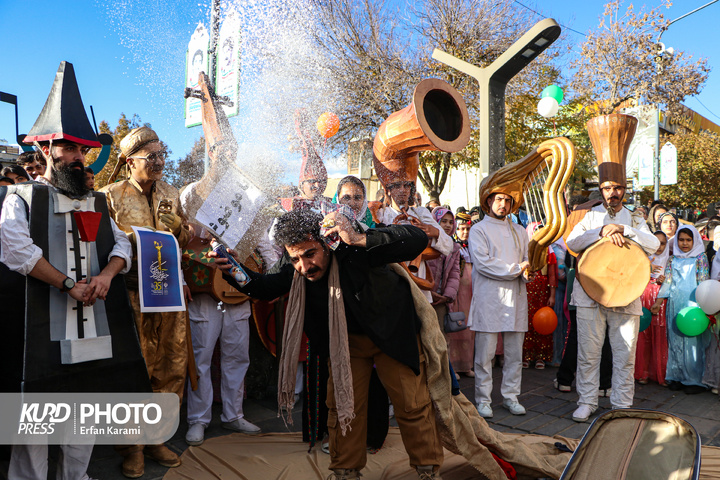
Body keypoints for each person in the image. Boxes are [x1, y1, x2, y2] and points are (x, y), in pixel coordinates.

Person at [0, 60, 148, 480]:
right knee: (36, 419)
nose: (81, 157)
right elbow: (15, 250)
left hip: (93, 326)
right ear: (47, 149)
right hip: (40, 325)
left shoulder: (96, 200)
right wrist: (67, 284)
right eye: (71, 148)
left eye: (84, 149)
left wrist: (105, 276)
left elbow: (121, 243)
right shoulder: (22, 197)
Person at [219, 209, 445, 480]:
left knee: (412, 405)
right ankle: (346, 472)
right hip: (344, 343)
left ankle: (427, 471)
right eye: (295, 259)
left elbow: (416, 239)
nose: (303, 267)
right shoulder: (295, 266)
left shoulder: (353, 246)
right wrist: (233, 269)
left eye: (309, 254)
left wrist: (359, 238)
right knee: (343, 408)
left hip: (391, 334)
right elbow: (265, 287)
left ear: (326, 242)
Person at [100, 126, 191, 478]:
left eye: (161, 155)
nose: (159, 162)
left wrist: (179, 227)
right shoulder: (110, 195)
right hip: (132, 294)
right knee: (135, 370)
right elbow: (103, 246)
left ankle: (156, 438)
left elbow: (182, 240)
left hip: (168, 292)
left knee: (171, 366)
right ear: (129, 162)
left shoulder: (170, 192)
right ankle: (131, 448)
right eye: (150, 157)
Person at [566, 163, 659, 422]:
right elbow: (572, 243)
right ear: (601, 189)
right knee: (588, 352)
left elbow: (653, 245)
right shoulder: (590, 216)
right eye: (607, 188)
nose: (612, 193)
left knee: (625, 353)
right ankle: (587, 401)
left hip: (626, 295)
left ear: (624, 190)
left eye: (617, 188)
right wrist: (601, 232)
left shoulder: (636, 218)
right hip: (589, 293)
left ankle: (621, 404)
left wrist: (624, 230)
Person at [183, 223, 266, 446]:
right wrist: (181, 280)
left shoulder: (247, 201)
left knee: (238, 357)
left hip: (237, 293)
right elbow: (181, 242)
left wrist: (269, 276)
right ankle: (198, 419)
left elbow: (264, 243)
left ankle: (233, 415)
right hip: (204, 296)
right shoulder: (192, 195)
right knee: (201, 359)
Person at [469, 191, 531, 418]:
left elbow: (527, 262)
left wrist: (527, 273)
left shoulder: (520, 231)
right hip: (489, 298)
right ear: (488, 201)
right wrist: (517, 270)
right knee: (485, 355)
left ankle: (510, 397)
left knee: (515, 354)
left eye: (507, 200)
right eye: (498, 199)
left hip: (515, 297)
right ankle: (483, 400)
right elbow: (484, 264)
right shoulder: (478, 230)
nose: (503, 204)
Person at [651, 226, 710, 394]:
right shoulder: (673, 259)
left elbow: (703, 281)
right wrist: (659, 301)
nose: (684, 243)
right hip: (675, 305)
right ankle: (676, 376)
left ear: (695, 241)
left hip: (693, 306)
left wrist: (704, 305)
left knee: (692, 343)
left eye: (688, 240)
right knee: (675, 341)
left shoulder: (700, 258)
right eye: (681, 240)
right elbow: (668, 282)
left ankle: (694, 380)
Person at [635, 231, 670, 386]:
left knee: (659, 335)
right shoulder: (642, 258)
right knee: (643, 335)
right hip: (643, 297)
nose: (659, 246)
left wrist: (665, 280)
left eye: (663, 243)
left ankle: (660, 373)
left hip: (660, 300)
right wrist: (646, 268)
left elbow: (672, 281)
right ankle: (642, 372)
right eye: (656, 242)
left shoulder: (670, 260)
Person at [522, 223, 557, 370]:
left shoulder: (548, 251)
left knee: (543, 322)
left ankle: (540, 357)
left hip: (543, 291)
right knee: (526, 322)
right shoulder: (525, 250)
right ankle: (525, 356)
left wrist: (552, 295)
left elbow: (552, 275)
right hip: (526, 289)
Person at [427, 207, 461, 357]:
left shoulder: (454, 247)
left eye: (450, 222)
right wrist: (428, 291)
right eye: (443, 221)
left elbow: (455, 274)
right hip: (425, 296)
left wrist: (447, 296)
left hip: (441, 300)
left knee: (441, 338)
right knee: (425, 336)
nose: (447, 225)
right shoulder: (427, 243)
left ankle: (444, 376)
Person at [449, 211, 475, 377]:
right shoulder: (452, 247)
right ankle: (453, 367)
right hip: (458, 291)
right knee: (454, 326)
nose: (465, 232)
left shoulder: (473, 246)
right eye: (461, 229)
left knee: (469, 329)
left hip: (471, 292)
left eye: (467, 228)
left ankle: (466, 365)